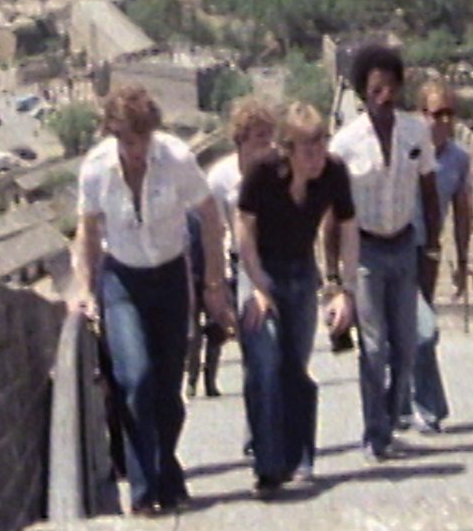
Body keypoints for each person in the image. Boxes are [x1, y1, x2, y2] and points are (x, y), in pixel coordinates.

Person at [69, 84, 235, 515]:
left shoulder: (176, 159)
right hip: (122, 280)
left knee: (167, 391)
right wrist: (85, 289)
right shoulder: (96, 169)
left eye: (142, 138)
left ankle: (167, 473)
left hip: (169, 278)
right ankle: (144, 495)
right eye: (127, 139)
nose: (136, 149)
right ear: (113, 135)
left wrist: (213, 285)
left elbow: (210, 217)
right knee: (135, 379)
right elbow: (87, 231)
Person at [325, 45, 440, 461]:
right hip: (366, 251)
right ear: (363, 92)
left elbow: (429, 192)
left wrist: (433, 250)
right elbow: (332, 214)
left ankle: (391, 420)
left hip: (404, 245)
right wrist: (334, 277)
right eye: (376, 89)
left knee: (407, 346)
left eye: (390, 86)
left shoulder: (416, 133)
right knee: (373, 348)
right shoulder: (345, 144)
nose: (384, 96)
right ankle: (376, 433)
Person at [238, 102, 359, 492]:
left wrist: (344, 290)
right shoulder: (263, 174)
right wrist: (258, 287)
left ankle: (300, 457)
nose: (317, 154)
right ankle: (269, 464)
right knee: (264, 362)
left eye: (321, 143)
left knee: (295, 366)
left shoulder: (334, 173)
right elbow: (244, 231)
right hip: (262, 269)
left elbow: (349, 228)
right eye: (307, 147)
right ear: (287, 149)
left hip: (302, 271)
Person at [186, 97, 277, 398]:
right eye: (259, 136)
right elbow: (213, 229)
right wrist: (217, 280)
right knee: (256, 349)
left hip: (280, 261)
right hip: (242, 268)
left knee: (285, 353)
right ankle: (257, 429)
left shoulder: (281, 170)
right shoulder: (221, 177)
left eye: (269, 135)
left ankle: (276, 423)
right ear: (241, 139)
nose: (266, 143)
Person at [398, 79, 473, 432]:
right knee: (422, 330)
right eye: (436, 113)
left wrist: (461, 261)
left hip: (427, 251)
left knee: (410, 329)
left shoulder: (459, 159)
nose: (443, 121)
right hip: (395, 247)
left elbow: (462, 211)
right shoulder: (406, 150)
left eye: (449, 113)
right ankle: (428, 407)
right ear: (421, 115)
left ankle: (401, 406)